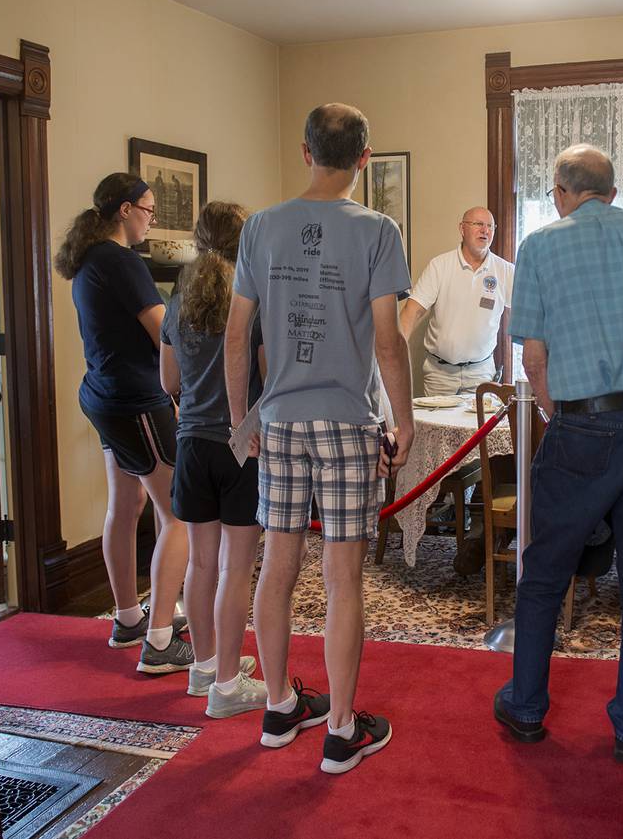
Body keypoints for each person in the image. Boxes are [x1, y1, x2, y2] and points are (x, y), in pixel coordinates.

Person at [492, 144, 623, 764]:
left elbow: (533, 360)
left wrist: (570, 419)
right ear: (612, 189)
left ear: (561, 191)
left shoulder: (540, 246)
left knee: (546, 570)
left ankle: (527, 706)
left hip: (585, 427)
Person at [225, 103, 414, 775]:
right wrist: (406, 417)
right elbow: (387, 340)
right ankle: (338, 728)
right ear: (364, 158)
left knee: (276, 567)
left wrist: (239, 416)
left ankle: (279, 706)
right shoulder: (379, 230)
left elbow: (236, 336)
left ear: (305, 152)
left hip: (278, 421)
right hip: (345, 420)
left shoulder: (261, 228)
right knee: (341, 578)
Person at [53, 172, 191, 673]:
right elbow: (164, 335)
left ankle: (130, 618)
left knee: (127, 503)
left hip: (101, 394)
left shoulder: (89, 260)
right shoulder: (123, 261)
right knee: (178, 514)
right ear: (127, 209)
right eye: (149, 211)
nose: (151, 222)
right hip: (136, 398)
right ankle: (159, 643)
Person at [159, 201, 269, 717]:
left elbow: (169, 382)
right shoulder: (249, 301)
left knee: (202, 562)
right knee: (237, 568)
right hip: (239, 444)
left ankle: (204, 667)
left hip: (190, 444)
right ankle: (227, 685)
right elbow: (266, 379)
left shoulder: (179, 300)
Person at [398, 206, 513, 394]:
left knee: (478, 424)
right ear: (462, 229)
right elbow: (412, 311)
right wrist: (396, 355)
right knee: (435, 424)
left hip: (481, 374)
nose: (485, 230)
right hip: (439, 374)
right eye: (478, 224)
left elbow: (528, 312)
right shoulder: (440, 266)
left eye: (490, 226)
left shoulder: (505, 271)